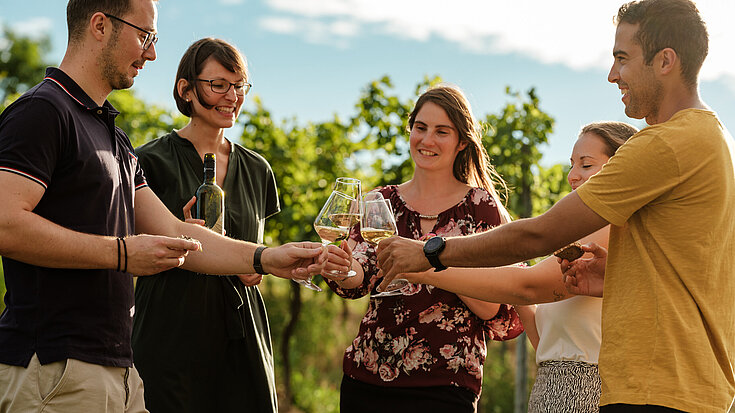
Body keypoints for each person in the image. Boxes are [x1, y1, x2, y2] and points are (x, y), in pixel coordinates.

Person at [377, 0, 735, 411]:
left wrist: (430, 252)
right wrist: (613, 274)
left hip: (659, 390)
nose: (612, 73)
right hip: (688, 387)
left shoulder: (666, 144)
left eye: (623, 58)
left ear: (665, 61)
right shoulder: (713, 139)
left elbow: (539, 234)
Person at [0, 2, 322, 412]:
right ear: (100, 25)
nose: (151, 54)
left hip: (117, 370)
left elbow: (173, 230)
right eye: (145, 36)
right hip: (54, 369)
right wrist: (121, 253)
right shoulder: (42, 112)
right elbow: (4, 225)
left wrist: (266, 258)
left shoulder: (113, 137)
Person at [391, 121, 638, 413]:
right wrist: (508, 258)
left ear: (620, 168)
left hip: (591, 396)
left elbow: (527, 287)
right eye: (572, 165)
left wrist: (422, 262)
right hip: (549, 393)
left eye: (586, 165)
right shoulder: (581, 239)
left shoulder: (616, 229)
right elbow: (542, 339)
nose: (572, 176)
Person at [321, 85, 524, 413]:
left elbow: (491, 307)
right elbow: (360, 276)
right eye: (420, 128)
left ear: (461, 142)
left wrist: (427, 262)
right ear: (410, 130)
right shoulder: (381, 201)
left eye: (442, 131)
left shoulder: (480, 207)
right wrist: (341, 267)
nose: (427, 140)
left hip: (446, 387)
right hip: (367, 379)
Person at [131, 38, 280, 413]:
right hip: (171, 332)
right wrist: (178, 234)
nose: (232, 96)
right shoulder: (148, 160)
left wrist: (253, 269)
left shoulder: (258, 169)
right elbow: (131, 248)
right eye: (218, 85)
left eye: (239, 86)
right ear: (186, 89)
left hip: (241, 334)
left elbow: (253, 252)